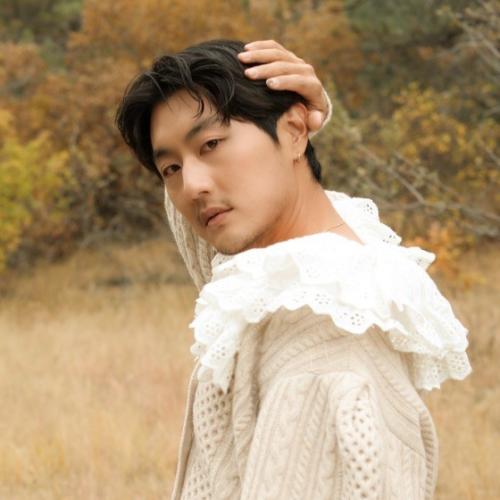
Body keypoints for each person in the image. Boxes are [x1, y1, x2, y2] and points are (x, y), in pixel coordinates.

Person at [115, 39, 472, 500]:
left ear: (295, 133)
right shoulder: (308, 266)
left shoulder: (321, 354)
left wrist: (288, 121)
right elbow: (202, 225)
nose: (191, 187)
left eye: (212, 144)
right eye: (170, 168)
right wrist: (288, 124)